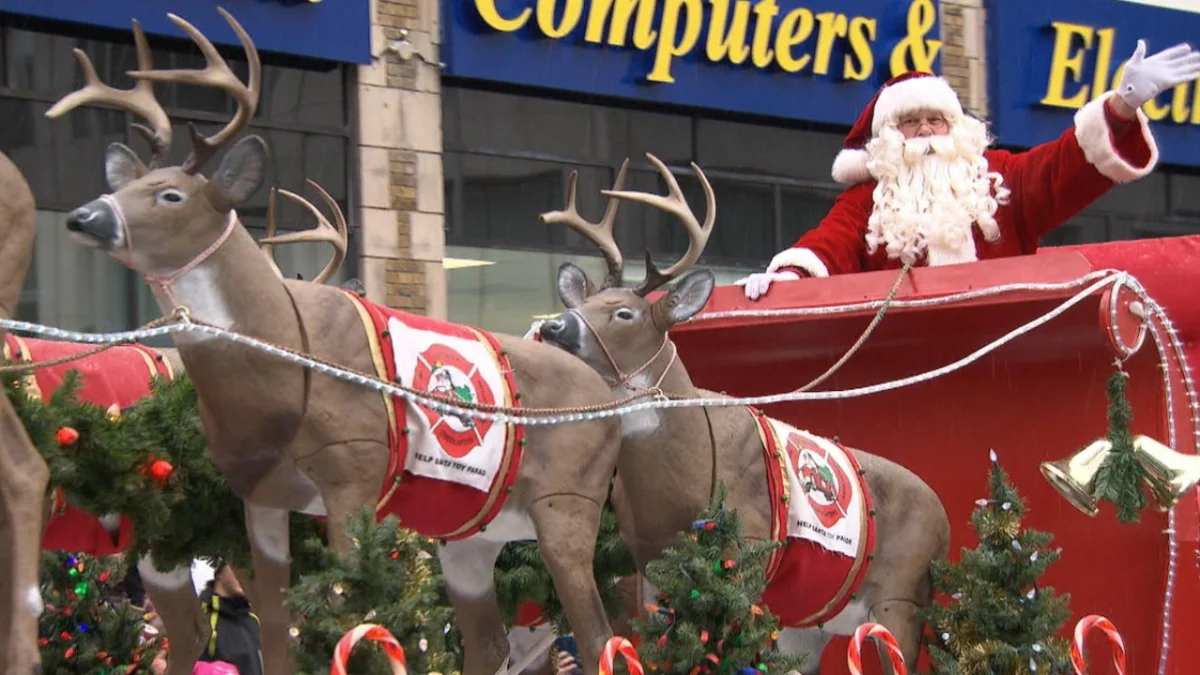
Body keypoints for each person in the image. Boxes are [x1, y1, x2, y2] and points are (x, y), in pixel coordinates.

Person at [737, 40, 1200, 300]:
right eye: (911, 122)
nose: (926, 132)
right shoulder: (870, 198)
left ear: (954, 126)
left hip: (1008, 354)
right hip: (903, 364)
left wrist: (1121, 107)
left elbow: (1065, 166)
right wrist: (787, 280)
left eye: (935, 119)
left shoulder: (998, 178)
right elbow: (829, 245)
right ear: (889, 137)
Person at [197, 560, 263, 675]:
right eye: (238, 566)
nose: (245, 574)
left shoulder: (253, 619)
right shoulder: (200, 615)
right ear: (219, 574)